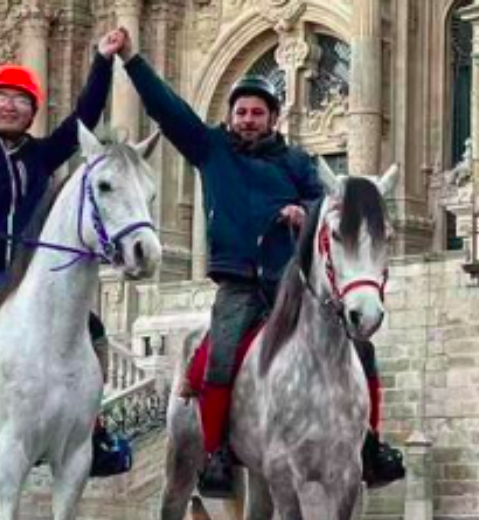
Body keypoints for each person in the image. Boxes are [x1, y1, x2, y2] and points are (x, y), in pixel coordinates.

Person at [114, 29, 405, 495]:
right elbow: (167, 111)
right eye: (241, 112)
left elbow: (330, 209)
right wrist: (131, 58)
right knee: (220, 356)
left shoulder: (298, 163)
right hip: (238, 285)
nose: (248, 119)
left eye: (258, 113)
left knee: (362, 349)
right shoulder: (211, 151)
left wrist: (302, 213)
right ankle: (216, 454)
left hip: (294, 284)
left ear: (273, 118)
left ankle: (370, 445)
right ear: (230, 117)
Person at [0, 30, 128, 469]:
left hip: (24, 273)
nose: (10, 105)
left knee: (92, 332)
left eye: (21, 99)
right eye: (2, 97)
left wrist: (103, 61)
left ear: (33, 111)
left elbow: (84, 118)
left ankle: (93, 425)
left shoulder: (42, 155)